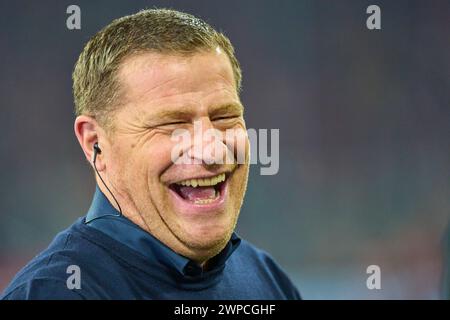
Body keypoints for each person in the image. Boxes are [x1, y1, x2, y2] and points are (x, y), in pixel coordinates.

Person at [1, 8, 301, 299]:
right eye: (173, 123)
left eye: (224, 117)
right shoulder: (56, 291)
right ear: (96, 142)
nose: (211, 150)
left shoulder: (265, 278)